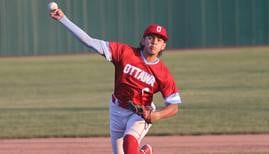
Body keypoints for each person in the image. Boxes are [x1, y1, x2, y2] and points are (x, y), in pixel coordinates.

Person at [49, 6, 182, 154]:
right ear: (143, 40)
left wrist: (156, 115)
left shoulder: (163, 73)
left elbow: (174, 106)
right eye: (150, 38)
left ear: (163, 46)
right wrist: (63, 19)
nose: (154, 42)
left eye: (159, 40)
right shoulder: (125, 52)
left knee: (129, 144)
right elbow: (89, 41)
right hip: (117, 109)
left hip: (140, 113)